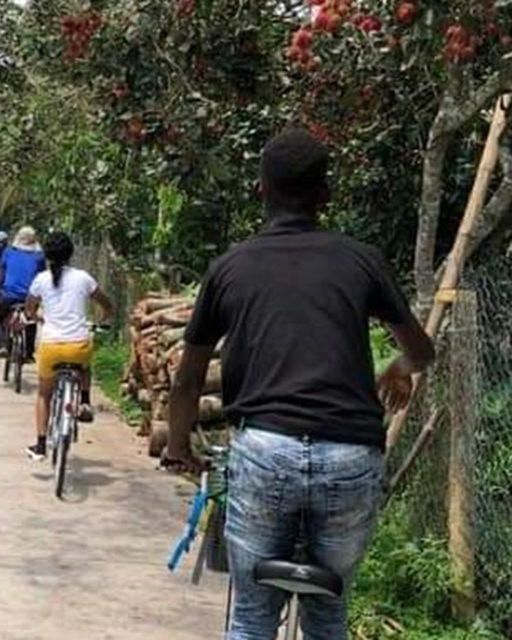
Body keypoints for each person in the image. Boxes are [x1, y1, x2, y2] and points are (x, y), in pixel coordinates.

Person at [166, 128, 435, 640]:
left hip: (266, 450)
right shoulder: (361, 260)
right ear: (325, 196)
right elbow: (422, 351)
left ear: (261, 190)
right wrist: (397, 369)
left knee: (251, 616)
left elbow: (188, 380)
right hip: (351, 456)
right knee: (329, 611)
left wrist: (179, 446)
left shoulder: (230, 268)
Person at [23, 231, 113, 460]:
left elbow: (30, 309)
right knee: (84, 365)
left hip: (50, 347)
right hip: (78, 345)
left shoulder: (41, 280)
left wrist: (36, 318)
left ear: (47, 255)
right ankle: (84, 401)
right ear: (70, 254)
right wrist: (105, 318)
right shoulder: (83, 278)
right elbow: (106, 304)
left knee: (44, 394)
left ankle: (41, 444)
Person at [0, 226, 45, 362]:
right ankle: (29, 354)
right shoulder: (39, 256)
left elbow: (0, 275)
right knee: (30, 318)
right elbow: (42, 277)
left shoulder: (9, 252)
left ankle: (2, 345)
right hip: (29, 297)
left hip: (8, 296)